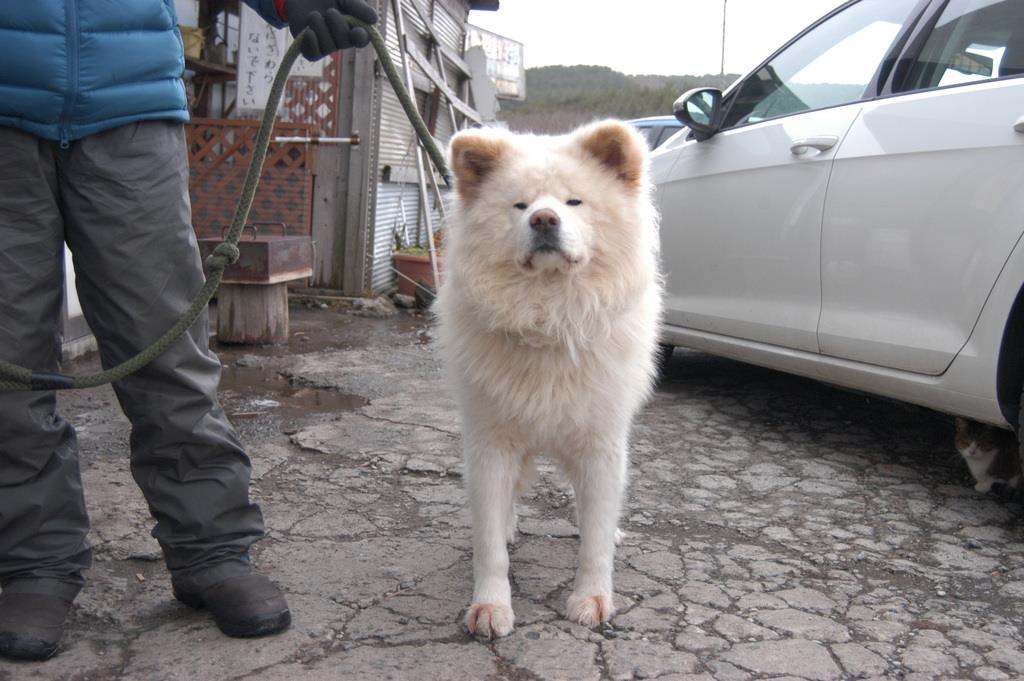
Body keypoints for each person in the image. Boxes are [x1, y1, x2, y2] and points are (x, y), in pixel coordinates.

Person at [0, 0, 378, 662]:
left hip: (132, 103)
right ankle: (33, 561)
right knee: (7, 366)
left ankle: (212, 547)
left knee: (167, 347)